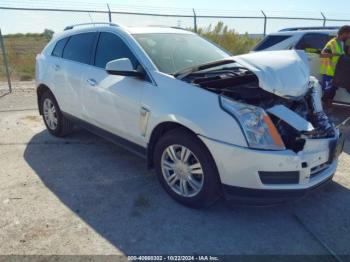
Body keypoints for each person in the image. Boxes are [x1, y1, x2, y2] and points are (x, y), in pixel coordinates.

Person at [320, 25, 350, 108]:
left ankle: (328, 107)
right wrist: (336, 54)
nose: (349, 36)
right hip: (329, 72)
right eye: (348, 34)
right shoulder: (332, 43)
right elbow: (322, 55)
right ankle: (323, 109)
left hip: (337, 73)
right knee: (328, 91)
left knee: (333, 91)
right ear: (344, 33)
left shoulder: (343, 42)